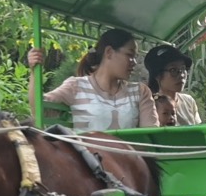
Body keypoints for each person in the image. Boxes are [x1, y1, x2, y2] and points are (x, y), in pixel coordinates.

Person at [27, 28, 158, 132]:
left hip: (127, 163)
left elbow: (151, 134)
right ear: (109, 52)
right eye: (130, 55)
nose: (134, 62)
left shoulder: (140, 92)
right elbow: (39, 109)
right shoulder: (76, 86)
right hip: (89, 162)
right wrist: (34, 70)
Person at [144, 44, 202, 126]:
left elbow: (200, 133)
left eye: (183, 69)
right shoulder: (149, 105)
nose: (181, 75)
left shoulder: (188, 101)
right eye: (173, 70)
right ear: (157, 75)